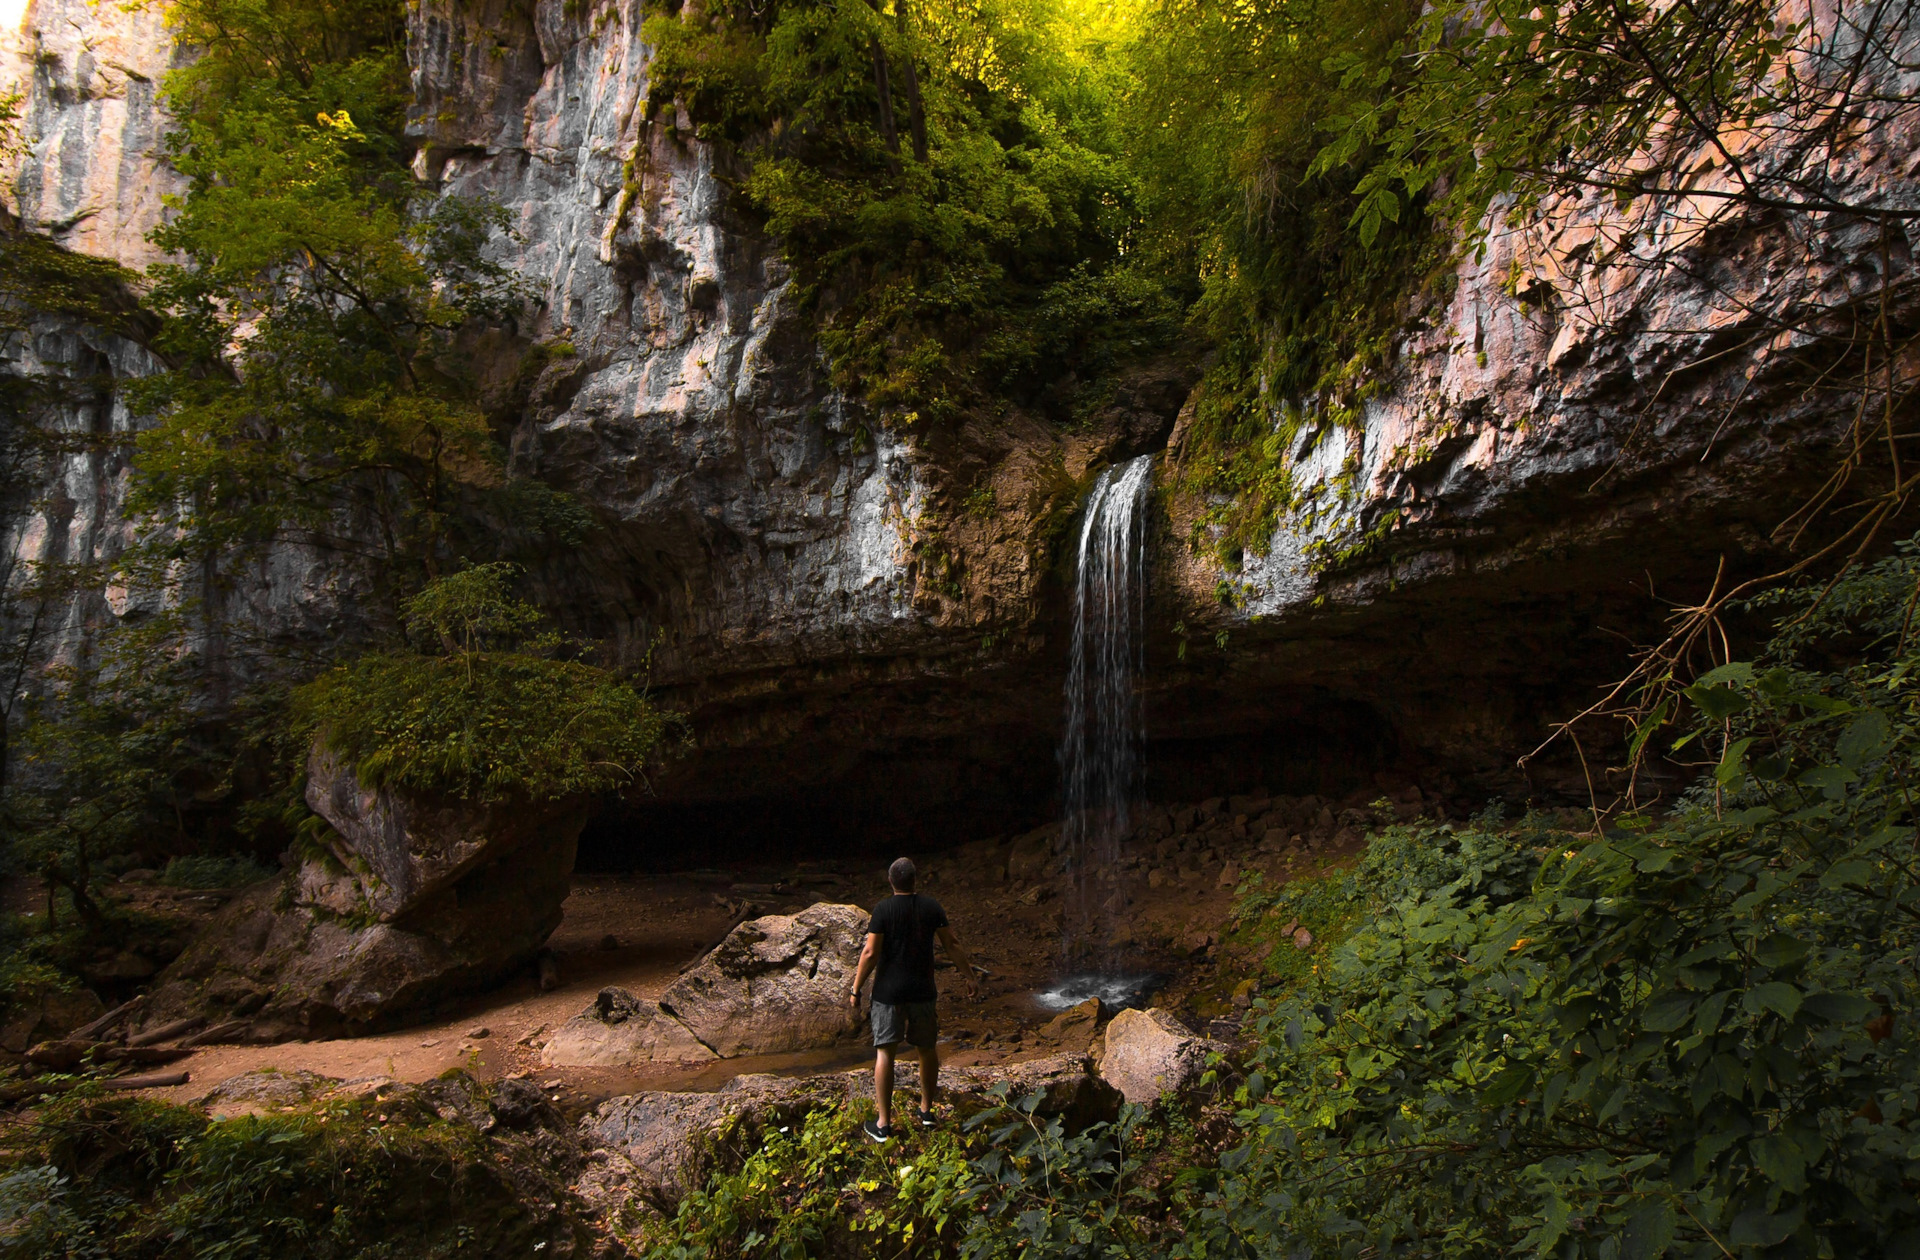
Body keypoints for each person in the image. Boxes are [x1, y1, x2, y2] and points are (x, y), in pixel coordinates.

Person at [846, 855, 978, 1142]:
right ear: (914, 880)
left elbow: (870, 953)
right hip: (922, 991)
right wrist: (969, 975)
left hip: (888, 994)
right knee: (927, 1049)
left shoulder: (883, 910)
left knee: (885, 1053)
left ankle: (883, 1124)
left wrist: (856, 988)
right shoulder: (931, 907)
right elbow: (952, 944)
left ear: (891, 881)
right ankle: (927, 1112)